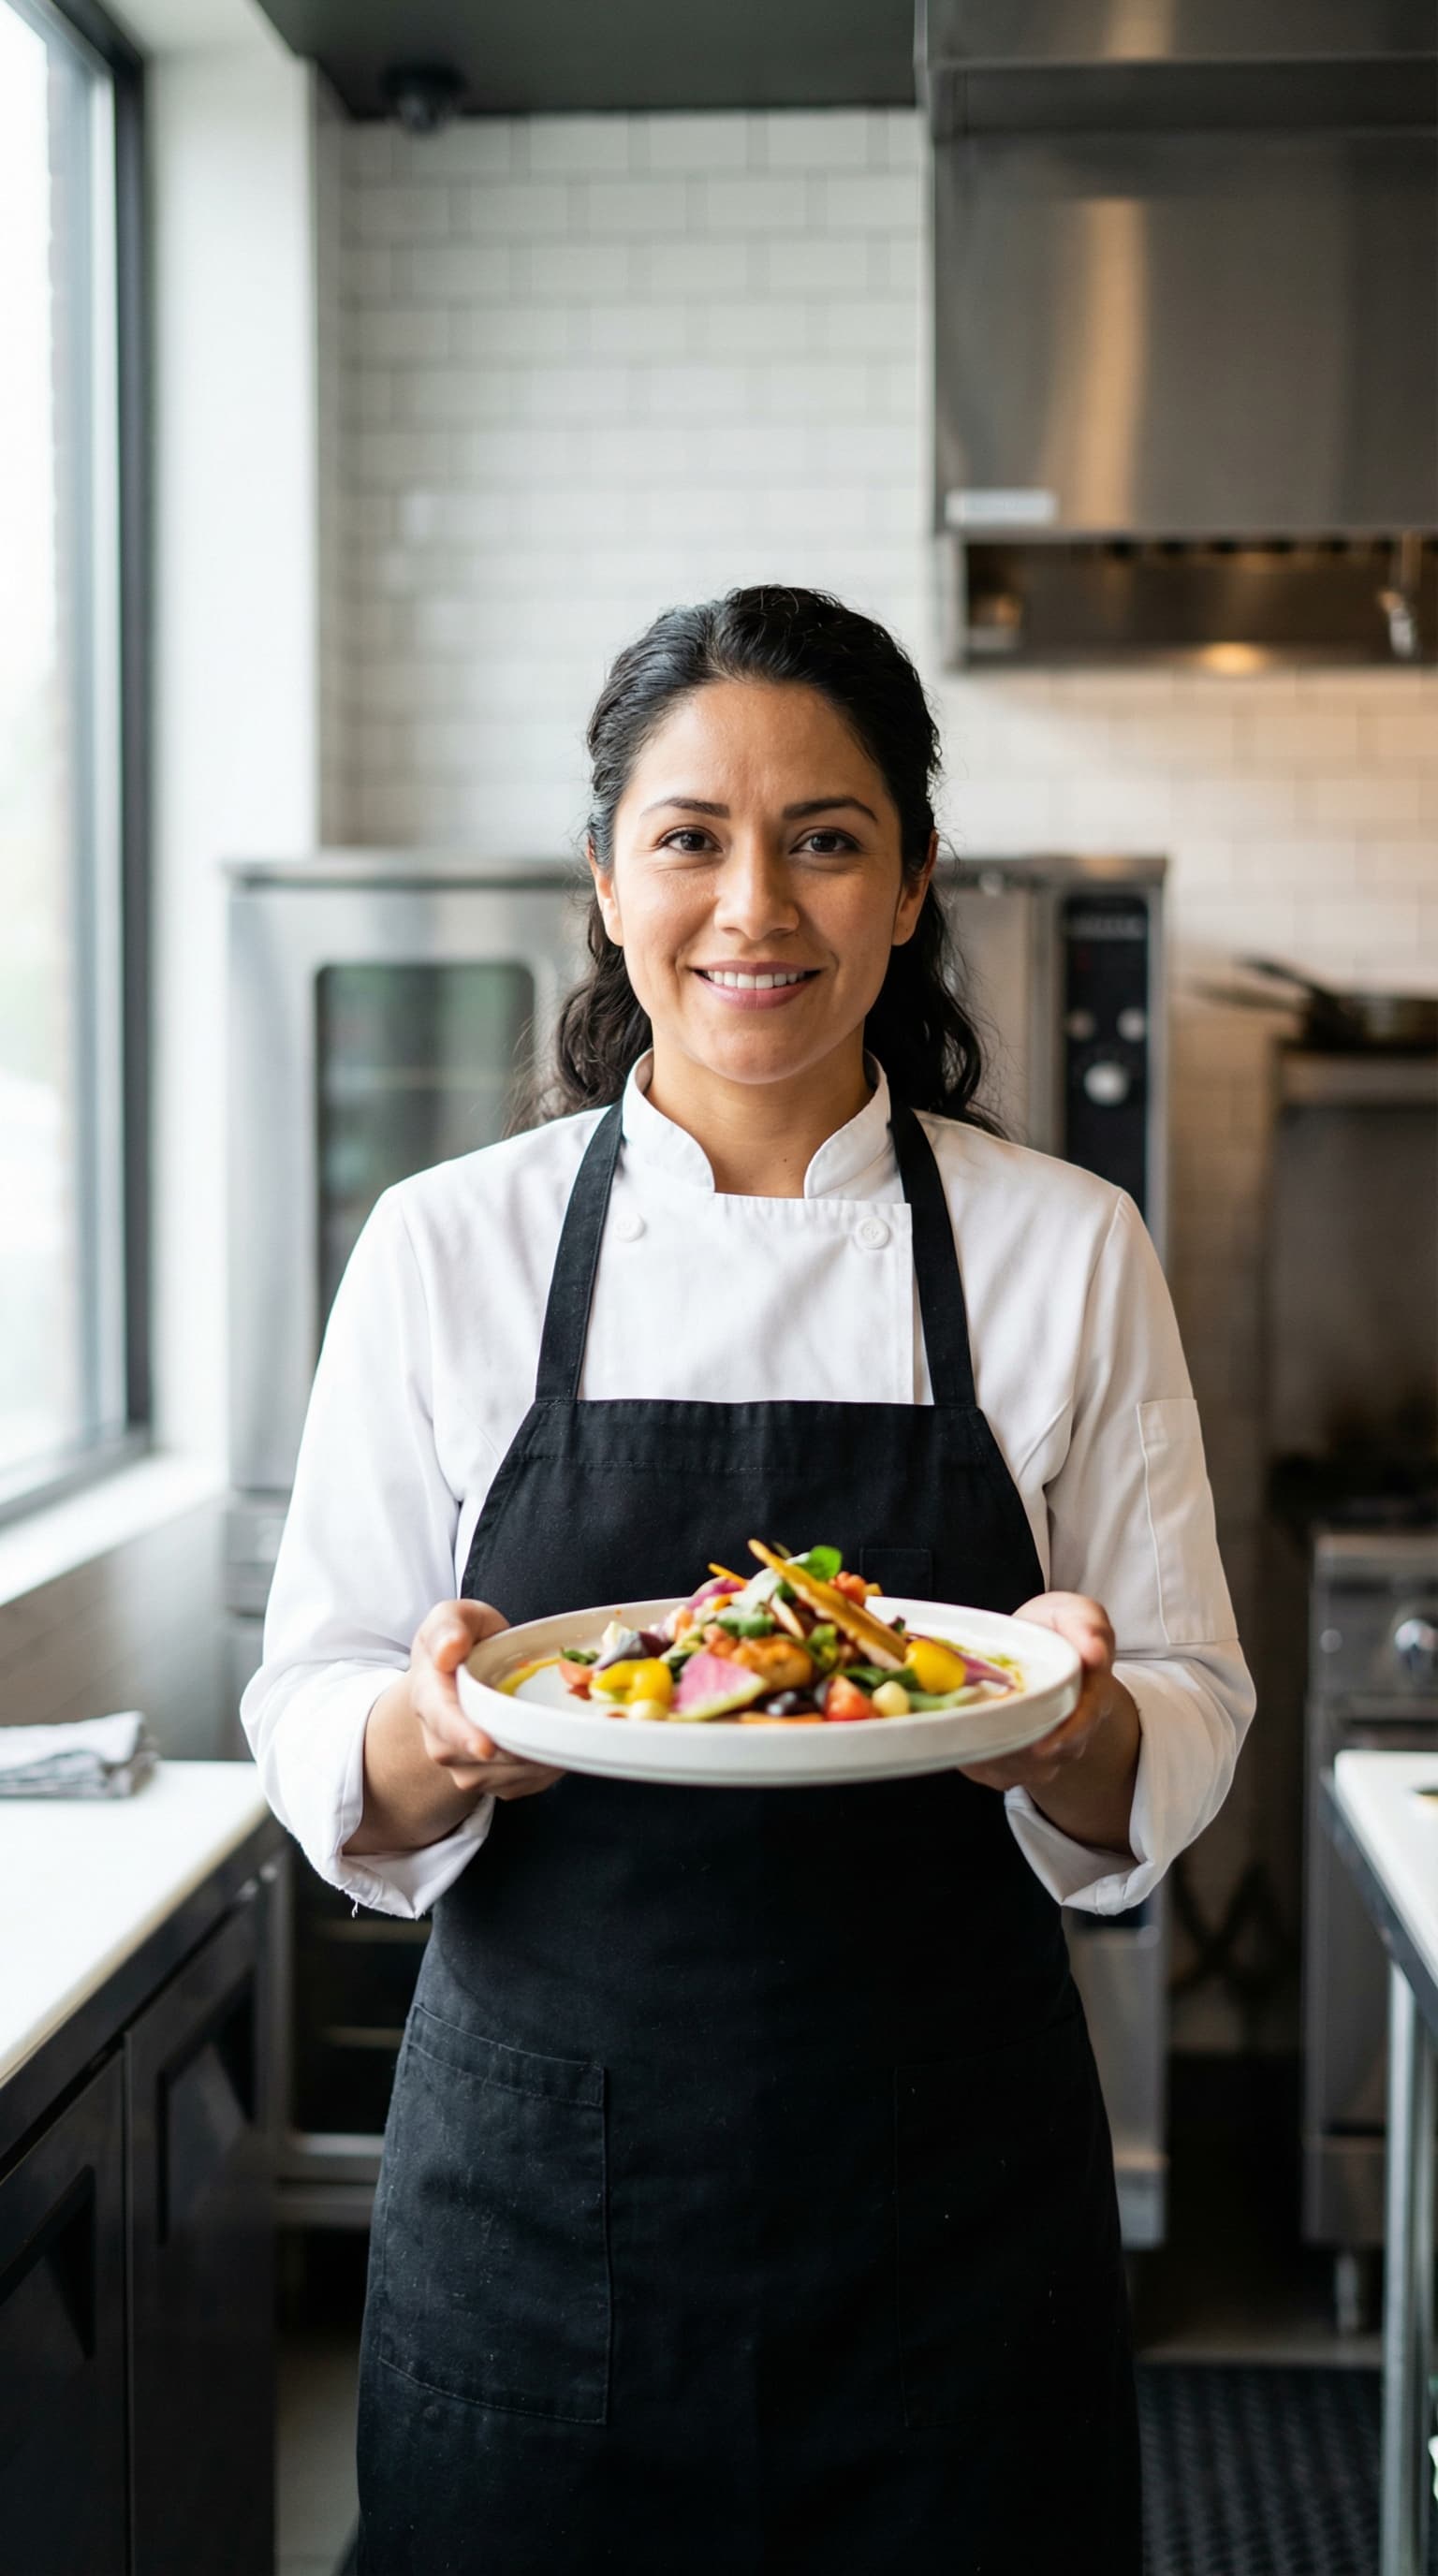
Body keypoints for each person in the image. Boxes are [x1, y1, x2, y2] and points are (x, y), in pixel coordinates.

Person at [242, 585, 1254, 2575]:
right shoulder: (450, 1246)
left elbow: (1198, 1698)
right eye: (692, 836)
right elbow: (312, 1693)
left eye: (827, 837)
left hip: (956, 2221)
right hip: (544, 2214)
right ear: (609, 882)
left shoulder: (1066, 1247)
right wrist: (433, 1727)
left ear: (911, 882)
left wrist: (1079, 1722)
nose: (755, 905)